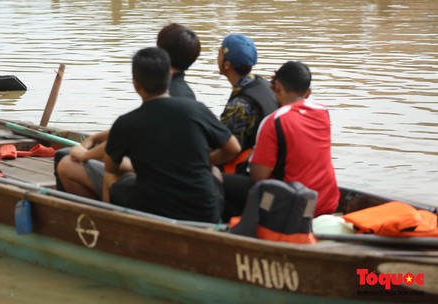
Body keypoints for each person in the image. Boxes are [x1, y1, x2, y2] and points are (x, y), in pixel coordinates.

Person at [63, 47, 241, 223]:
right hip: (206, 211)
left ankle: (109, 226)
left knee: (90, 171)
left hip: (151, 209)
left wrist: (86, 154)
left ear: (136, 84)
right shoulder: (197, 109)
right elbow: (233, 148)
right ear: (169, 77)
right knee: (215, 171)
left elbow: (111, 168)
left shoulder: (127, 122)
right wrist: (207, 161)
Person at [55, 23, 201, 193]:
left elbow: (124, 140)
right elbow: (140, 126)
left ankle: (92, 215)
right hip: (167, 166)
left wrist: (86, 153)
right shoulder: (182, 91)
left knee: (65, 158)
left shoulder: (167, 93)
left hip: (157, 175)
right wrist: (97, 137)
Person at [223, 61, 339, 220]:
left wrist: (256, 154)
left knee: (215, 179)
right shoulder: (323, 112)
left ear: (276, 87)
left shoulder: (275, 121)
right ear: (308, 92)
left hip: (291, 206)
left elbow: (259, 178)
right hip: (326, 203)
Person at [216, 33, 277, 174]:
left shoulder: (240, 105)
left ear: (227, 64)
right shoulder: (265, 85)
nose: (217, 58)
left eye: (219, 53)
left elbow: (227, 150)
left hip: (251, 173)